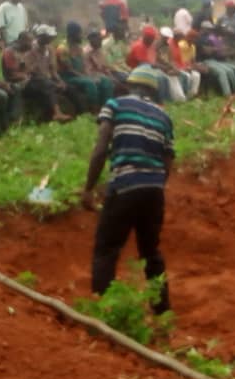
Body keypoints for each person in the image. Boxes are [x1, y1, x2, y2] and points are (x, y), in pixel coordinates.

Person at [81, 66, 174, 315]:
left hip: (124, 185)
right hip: (154, 190)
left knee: (106, 250)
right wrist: (153, 185)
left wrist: (89, 188)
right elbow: (167, 161)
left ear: (130, 85)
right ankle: (162, 310)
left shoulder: (116, 105)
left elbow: (101, 148)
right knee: (150, 251)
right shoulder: (164, 117)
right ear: (153, 91)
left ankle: (103, 313)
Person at [24, 24, 75, 122]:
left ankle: (80, 112)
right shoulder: (31, 49)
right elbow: (30, 71)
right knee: (48, 85)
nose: (50, 39)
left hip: (47, 79)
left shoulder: (50, 49)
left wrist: (59, 80)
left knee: (69, 88)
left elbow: (53, 69)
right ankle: (57, 113)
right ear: (41, 37)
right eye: (48, 37)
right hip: (33, 81)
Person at [58, 22, 107, 112]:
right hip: (68, 77)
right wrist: (86, 77)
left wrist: (90, 75)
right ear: (73, 34)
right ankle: (93, 111)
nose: (81, 36)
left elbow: (84, 66)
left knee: (104, 81)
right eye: (80, 34)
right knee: (90, 84)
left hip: (80, 75)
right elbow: (69, 69)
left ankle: (105, 108)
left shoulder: (79, 48)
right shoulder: (63, 48)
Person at [194, 22, 235, 95]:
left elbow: (210, 50)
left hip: (212, 60)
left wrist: (213, 49)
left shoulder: (208, 38)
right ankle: (227, 94)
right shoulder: (198, 39)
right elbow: (207, 51)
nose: (210, 31)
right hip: (204, 61)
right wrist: (215, 49)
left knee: (229, 71)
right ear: (203, 29)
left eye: (210, 29)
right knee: (222, 73)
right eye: (208, 29)